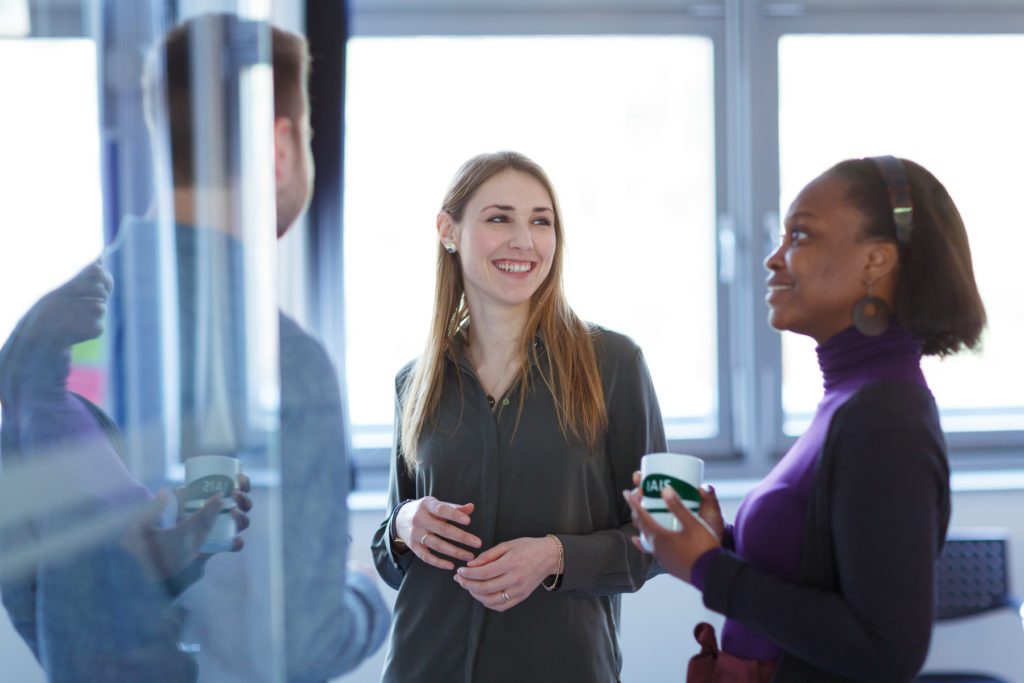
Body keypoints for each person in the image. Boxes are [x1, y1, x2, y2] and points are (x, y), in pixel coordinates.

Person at [625, 155, 986, 682]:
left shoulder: (885, 420)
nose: (772, 259)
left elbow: (887, 652)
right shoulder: (851, 400)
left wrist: (708, 568)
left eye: (800, 236)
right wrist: (715, 543)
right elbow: (816, 575)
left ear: (875, 262)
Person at [112, 13, 388, 682]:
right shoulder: (286, 367)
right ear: (280, 146)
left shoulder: (51, 335)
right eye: (312, 134)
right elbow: (299, 646)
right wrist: (364, 595)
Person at [371, 151, 667, 682]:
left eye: (541, 221)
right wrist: (402, 525)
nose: (523, 241)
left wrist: (557, 557)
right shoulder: (413, 382)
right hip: (424, 666)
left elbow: (666, 534)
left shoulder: (616, 364)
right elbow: (392, 556)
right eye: (499, 218)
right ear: (449, 230)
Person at [0, 260, 252, 682]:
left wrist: (178, 554)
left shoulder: (86, 419)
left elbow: (115, 576)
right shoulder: (23, 445)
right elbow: (54, 599)